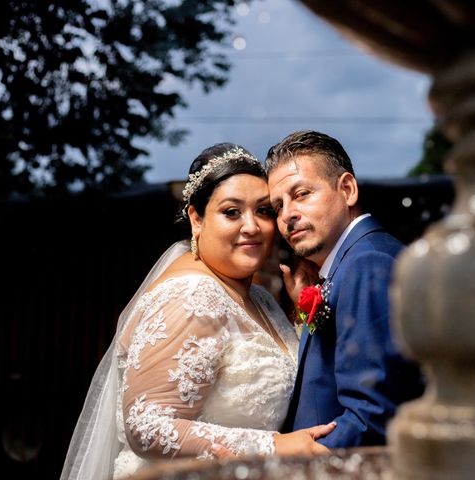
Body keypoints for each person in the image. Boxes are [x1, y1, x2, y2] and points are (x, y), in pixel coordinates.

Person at [60, 143, 335, 480]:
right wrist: (273, 447)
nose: (251, 226)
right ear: (196, 219)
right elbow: (146, 425)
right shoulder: (191, 295)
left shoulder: (259, 299)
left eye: (263, 211)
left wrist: (301, 313)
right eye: (232, 212)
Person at [266, 130, 425, 447]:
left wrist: (296, 467)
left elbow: (372, 416)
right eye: (277, 206)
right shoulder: (351, 263)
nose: (288, 215)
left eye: (302, 194)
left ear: (348, 190)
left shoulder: (368, 265)